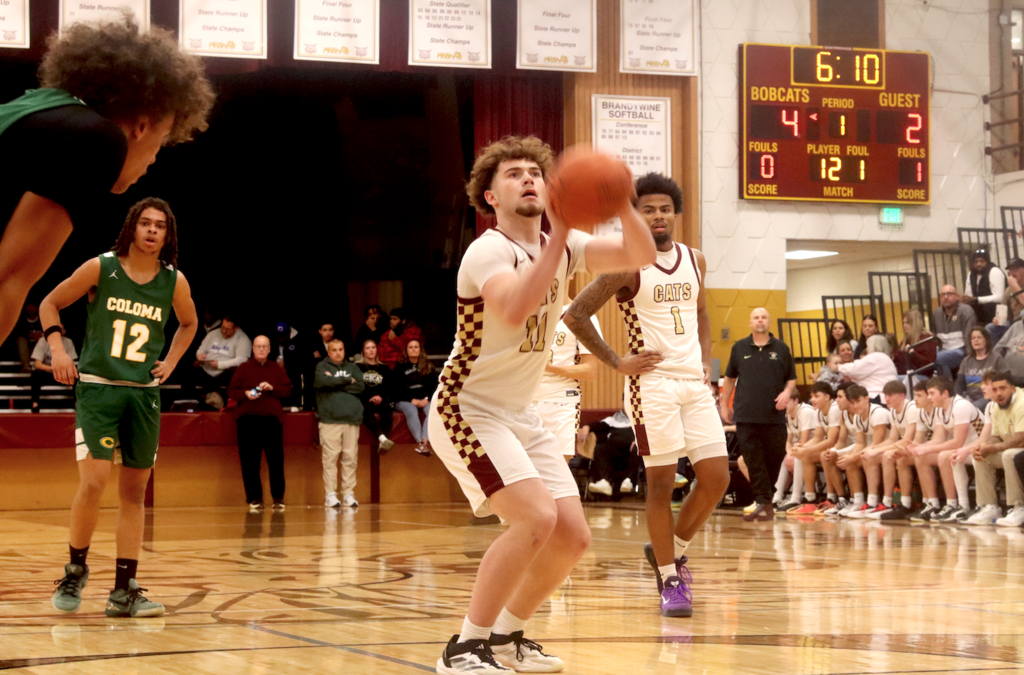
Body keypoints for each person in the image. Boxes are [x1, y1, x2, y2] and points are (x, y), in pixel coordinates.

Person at [427, 136, 655, 674]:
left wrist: (620, 198)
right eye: (513, 174)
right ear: (490, 197)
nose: (527, 178)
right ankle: (464, 647)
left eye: (536, 171)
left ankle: (506, 638)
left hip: (519, 413)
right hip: (468, 407)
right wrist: (560, 235)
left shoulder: (565, 244)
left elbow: (640, 254)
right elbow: (514, 307)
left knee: (572, 536)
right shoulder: (489, 250)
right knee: (534, 517)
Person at [567, 171, 729, 618]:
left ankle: (669, 549)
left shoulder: (695, 259)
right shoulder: (625, 264)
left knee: (717, 478)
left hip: (692, 384)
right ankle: (670, 579)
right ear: (634, 217)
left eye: (664, 208)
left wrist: (706, 361)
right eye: (647, 209)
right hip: (651, 383)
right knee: (660, 483)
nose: (657, 216)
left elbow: (701, 313)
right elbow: (576, 315)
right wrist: (617, 361)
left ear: (675, 213)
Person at [0, 18, 213, 346]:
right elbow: (6, 279)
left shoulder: (40, 106)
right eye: (163, 139)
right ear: (142, 125)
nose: (154, 158)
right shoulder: (98, 140)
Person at [43, 197, 197, 618]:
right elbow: (49, 302)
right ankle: (75, 570)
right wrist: (58, 350)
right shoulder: (102, 267)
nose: (151, 231)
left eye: (159, 226)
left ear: (167, 235)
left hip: (143, 394)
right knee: (93, 483)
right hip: (97, 389)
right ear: (132, 227)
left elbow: (189, 324)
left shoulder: (174, 282)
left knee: (134, 493)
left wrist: (172, 361)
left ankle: (124, 591)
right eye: (145, 223)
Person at [720, 308, 797, 521]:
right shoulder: (739, 347)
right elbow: (729, 378)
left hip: (774, 415)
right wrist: (724, 404)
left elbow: (791, 377)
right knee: (753, 460)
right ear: (750, 322)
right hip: (746, 415)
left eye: (763, 317)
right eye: (756, 317)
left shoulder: (781, 348)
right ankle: (764, 501)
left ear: (769, 322)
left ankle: (765, 500)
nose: (760, 320)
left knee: (774, 458)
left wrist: (787, 392)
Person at [533, 276, 602, 459]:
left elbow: (590, 370)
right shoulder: (528, 315)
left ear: (571, 273)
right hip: (526, 402)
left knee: (557, 471)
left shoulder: (581, 317)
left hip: (561, 400)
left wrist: (548, 367)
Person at [228, 336, 293, 512]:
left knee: (276, 460)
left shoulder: (276, 369)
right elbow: (232, 391)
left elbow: (288, 389)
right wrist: (246, 394)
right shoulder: (243, 368)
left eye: (265, 346)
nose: (262, 349)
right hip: (248, 419)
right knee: (250, 461)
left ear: (270, 348)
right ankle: (255, 498)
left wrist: (272, 388)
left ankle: (278, 498)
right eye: (258, 346)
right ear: (253, 349)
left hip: (271, 420)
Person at [907, 376, 980, 522]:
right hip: (963, 450)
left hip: (979, 448)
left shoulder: (960, 406)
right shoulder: (940, 409)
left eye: (932, 393)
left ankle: (961, 505)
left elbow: (957, 442)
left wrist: (926, 449)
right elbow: (939, 439)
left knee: (945, 456)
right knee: (922, 457)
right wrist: (920, 447)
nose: (929, 397)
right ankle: (934, 505)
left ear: (945, 393)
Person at [966, 371, 1024, 525]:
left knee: (1009, 455)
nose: (999, 393)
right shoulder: (997, 406)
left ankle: (1019, 507)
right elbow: (996, 436)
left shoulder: (1021, 402)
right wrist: (984, 447)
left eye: (1003, 388)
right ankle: (990, 506)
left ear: (1012, 388)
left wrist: (992, 447)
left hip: (1020, 449)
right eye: (995, 389)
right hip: (1011, 447)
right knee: (980, 457)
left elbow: (1020, 438)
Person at [314, 339, 365, 508]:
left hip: (351, 419)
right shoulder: (322, 367)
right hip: (329, 420)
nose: (338, 353)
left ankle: (348, 494)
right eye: (334, 350)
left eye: (341, 349)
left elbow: (360, 386)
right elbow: (322, 382)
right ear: (328, 352)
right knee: (330, 458)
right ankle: (330, 494)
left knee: (350, 458)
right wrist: (346, 381)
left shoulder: (353, 368)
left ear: (344, 350)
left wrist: (335, 383)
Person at [863, 379, 922, 520]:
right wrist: (872, 448)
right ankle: (872, 502)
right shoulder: (894, 412)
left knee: (887, 456)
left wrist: (877, 451)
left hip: (918, 447)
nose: (886, 398)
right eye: (885, 395)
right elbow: (892, 439)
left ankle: (888, 502)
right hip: (907, 448)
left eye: (890, 395)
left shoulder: (912, 408)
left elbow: (906, 440)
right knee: (868, 456)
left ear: (902, 396)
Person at [833, 384, 891, 518]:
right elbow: (860, 443)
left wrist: (853, 457)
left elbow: (877, 443)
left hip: (887, 448)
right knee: (850, 460)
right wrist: (850, 457)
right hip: (877, 450)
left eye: (858, 401)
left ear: (867, 398)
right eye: (852, 403)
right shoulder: (859, 416)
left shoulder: (878, 412)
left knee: (865, 458)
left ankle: (872, 502)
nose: (855, 406)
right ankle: (858, 501)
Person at [788, 382, 843, 515]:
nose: (812, 399)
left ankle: (833, 498)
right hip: (833, 447)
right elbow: (818, 437)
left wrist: (805, 450)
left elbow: (831, 440)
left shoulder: (834, 409)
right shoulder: (819, 411)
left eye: (816, 396)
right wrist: (802, 448)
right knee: (805, 456)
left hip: (844, 446)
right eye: (811, 396)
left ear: (827, 397)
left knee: (824, 455)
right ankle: (810, 499)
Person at [193, 314, 252, 406]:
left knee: (237, 372)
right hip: (206, 369)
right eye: (222, 327)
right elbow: (201, 349)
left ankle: (222, 402)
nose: (224, 331)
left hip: (225, 373)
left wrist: (220, 364)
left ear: (235, 328)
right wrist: (200, 355)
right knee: (188, 370)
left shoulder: (242, 339)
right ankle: (190, 402)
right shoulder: (213, 334)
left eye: (227, 329)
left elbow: (242, 359)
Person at [773, 391, 817, 512]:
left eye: (786, 402)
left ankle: (795, 498)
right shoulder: (787, 415)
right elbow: (788, 441)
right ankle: (776, 496)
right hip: (803, 447)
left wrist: (792, 453)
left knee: (798, 457)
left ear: (796, 401)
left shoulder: (805, 411)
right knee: (786, 458)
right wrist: (789, 453)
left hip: (816, 446)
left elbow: (804, 440)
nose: (784, 405)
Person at [394, 339, 439, 456]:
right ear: (406, 350)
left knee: (432, 410)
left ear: (420, 350)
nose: (413, 349)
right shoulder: (400, 367)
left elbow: (434, 386)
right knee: (411, 410)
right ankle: (419, 442)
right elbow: (397, 388)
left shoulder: (428, 366)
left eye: (416, 347)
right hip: (405, 400)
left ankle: (424, 442)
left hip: (424, 399)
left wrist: (427, 399)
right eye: (410, 347)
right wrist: (411, 400)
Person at [584, 409, 641, 497]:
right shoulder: (613, 419)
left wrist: (638, 440)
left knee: (638, 448)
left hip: (630, 454)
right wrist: (587, 427)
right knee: (600, 448)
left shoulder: (640, 419)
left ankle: (629, 481)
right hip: (614, 455)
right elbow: (598, 425)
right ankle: (603, 481)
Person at [357, 339, 395, 453]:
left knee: (387, 409)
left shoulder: (384, 368)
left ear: (377, 350)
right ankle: (382, 438)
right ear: (363, 351)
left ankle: (383, 441)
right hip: (364, 399)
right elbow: (356, 387)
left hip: (380, 399)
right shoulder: (357, 367)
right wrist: (369, 398)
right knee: (365, 409)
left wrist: (381, 397)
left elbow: (389, 387)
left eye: (373, 347)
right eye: (368, 348)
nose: (371, 350)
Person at [30, 322, 77, 413]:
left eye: (60, 329)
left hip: (63, 374)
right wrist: (53, 368)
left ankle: (77, 402)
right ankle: (35, 403)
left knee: (77, 375)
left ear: (64, 331)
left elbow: (72, 362)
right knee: (36, 374)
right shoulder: (43, 341)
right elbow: (37, 364)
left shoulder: (68, 342)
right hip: (48, 373)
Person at [932, 285, 977, 379]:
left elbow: (969, 336)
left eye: (949, 294)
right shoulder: (937, 313)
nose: (945, 297)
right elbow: (934, 336)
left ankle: (947, 387)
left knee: (938, 358)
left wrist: (971, 358)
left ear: (957, 296)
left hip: (961, 350)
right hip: (943, 349)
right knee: (929, 356)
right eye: (942, 294)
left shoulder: (966, 310)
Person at [956, 327, 1005, 411]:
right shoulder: (966, 361)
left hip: (988, 397)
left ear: (986, 340)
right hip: (969, 397)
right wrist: (956, 399)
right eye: (973, 338)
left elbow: (1004, 380)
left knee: (970, 410)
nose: (976, 340)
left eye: (979, 337)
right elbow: (959, 384)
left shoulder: (996, 358)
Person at [837, 335, 898, 403]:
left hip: (876, 398)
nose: (866, 349)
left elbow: (854, 369)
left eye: (868, 346)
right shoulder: (885, 358)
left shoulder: (876, 357)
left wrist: (838, 366)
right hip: (883, 397)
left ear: (874, 346)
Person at [962, 249, 1006, 325]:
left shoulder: (994, 271)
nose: (978, 264)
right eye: (976, 262)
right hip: (979, 313)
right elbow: (969, 294)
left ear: (987, 262)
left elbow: (1000, 297)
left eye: (981, 261)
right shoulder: (971, 274)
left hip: (995, 313)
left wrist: (977, 299)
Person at [989, 258, 1024, 343]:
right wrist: (998, 319)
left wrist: (1015, 286)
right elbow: (1002, 311)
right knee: (990, 328)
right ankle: (999, 354)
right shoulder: (1008, 290)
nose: (1012, 273)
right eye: (1010, 270)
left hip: (1022, 321)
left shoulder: (1014, 286)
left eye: (1015, 269)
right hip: (1012, 322)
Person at [894, 309, 936, 378]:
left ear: (915, 323)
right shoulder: (905, 341)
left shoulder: (927, 339)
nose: (904, 325)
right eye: (903, 323)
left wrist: (913, 354)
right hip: (907, 375)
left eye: (907, 323)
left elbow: (928, 363)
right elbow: (899, 358)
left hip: (923, 375)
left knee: (895, 380)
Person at [16, 303, 43, 372]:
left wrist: (40, 335)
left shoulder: (42, 319)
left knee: (43, 340)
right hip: (26, 342)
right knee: (21, 340)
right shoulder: (20, 320)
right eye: (28, 306)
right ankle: (26, 366)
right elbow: (20, 333)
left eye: (32, 306)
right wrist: (30, 335)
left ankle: (41, 365)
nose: (30, 308)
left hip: (40, 342)